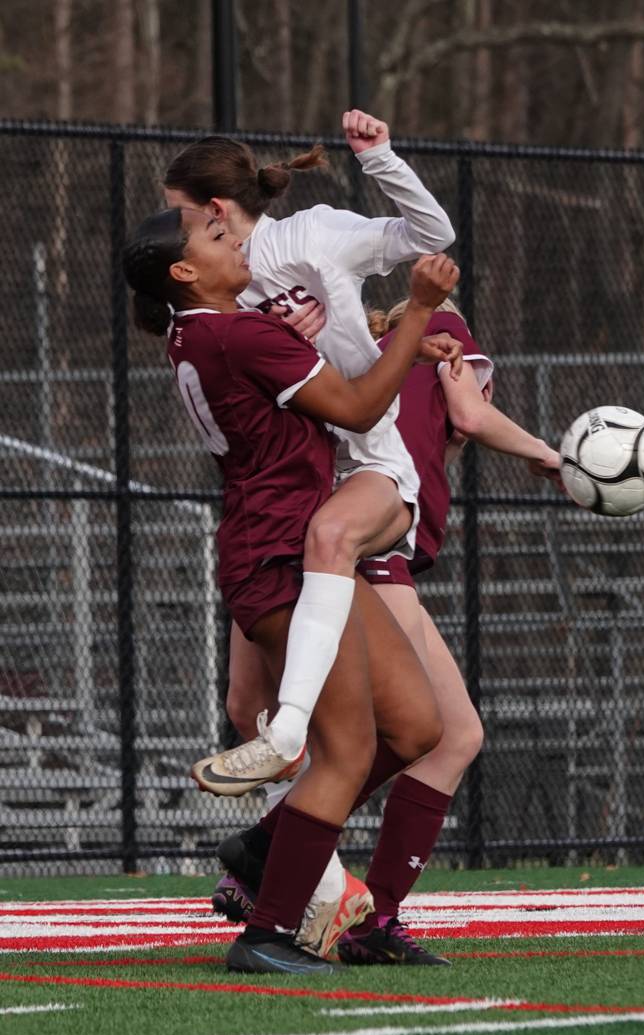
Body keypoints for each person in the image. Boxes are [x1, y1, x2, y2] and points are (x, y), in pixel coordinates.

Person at [122, 203, 460, 975]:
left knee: (416, 726)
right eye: (213, 237)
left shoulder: (205, 332)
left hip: (286, 545)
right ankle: (267, 931)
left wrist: (380, 336)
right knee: (347, 751)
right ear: (184, 272)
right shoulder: (237, 334)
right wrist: (419, 311)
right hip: (280, 558)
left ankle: (268, 842)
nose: (235, 238)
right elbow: (360, 407)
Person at [212, 300, 564, 966]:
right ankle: (335, 902)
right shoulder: (445, 331)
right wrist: (554, 458)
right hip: (363, 550)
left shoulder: (353, 350)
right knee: (445, 732)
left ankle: (278, 869)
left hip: (290, 539)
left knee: (303, 724)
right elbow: (469, 411)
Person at [163, 110, 457, 786]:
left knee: (408, 725)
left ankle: (291, 742)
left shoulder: (311, 235)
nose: (170, 226)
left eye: (175, 212)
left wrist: (380, 159)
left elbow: (432, 236)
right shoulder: (212, 300)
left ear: (212, 210)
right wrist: (382, 335)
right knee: (244, 705)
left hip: (364, 468)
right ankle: (291, 868)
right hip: (287, 491)